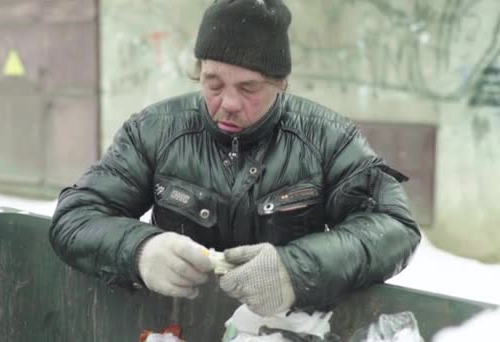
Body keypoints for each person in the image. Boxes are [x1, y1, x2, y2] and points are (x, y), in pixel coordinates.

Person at [49, 0, 420, 317]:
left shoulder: (329, 138)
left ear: (281, 84)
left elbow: (395, 227)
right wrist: (139, 250)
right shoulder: (154, 130)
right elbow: (75, 217)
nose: (228, 103)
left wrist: (296, 270)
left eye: (249, 88)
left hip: (286, 329)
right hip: (175, 326)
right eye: (213, 82)